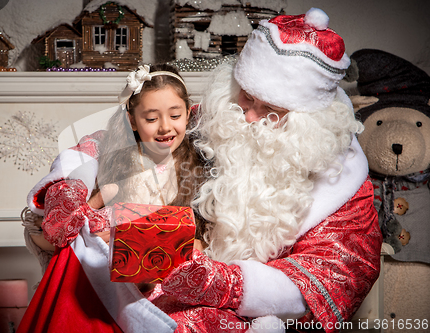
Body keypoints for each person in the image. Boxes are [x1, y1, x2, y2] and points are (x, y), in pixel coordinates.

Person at [147, 8, 382, 333]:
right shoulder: (224, 112)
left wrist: (230, 283)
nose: (249, 117)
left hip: (259, 313)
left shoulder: (345, 182)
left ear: (307, 121)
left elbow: (339, 272)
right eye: (247, 96)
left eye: (270, 110)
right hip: (176, 273)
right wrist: (75, 176)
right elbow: (137, 136)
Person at [18, 63, 204, 333]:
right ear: (132, 120)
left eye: (175, 115)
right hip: (112, 289)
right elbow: (60, 222)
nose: (165, 127)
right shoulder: (109, 160)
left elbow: (205, 235)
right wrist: (90, 228)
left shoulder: (198, 165)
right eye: (151, 119)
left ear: (187, 114)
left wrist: (194, 245)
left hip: (170, 292)